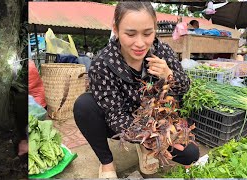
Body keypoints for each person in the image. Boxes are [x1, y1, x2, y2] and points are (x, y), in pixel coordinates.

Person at [73, 2, 199, 178]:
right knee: (84, 105)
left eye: (147, 33)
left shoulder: (162, 52)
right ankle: (107, 163)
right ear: (116, 30)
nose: (140, 43)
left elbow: (184, 87)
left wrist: (169, 75)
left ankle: (144, 148)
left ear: (155, 30)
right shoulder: (102, 64)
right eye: (130, 34)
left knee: (191, 154)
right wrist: (151, 138)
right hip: (119, 122)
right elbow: (115, 116)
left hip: (156, 120)